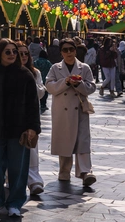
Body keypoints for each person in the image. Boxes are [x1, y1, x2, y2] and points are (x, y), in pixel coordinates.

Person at [0, 39, 41, 217]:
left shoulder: (25, 75)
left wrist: (33, 127)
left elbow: (33, 104)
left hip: (19, 129)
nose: (12, 54)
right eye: (8, 52)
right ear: (0, 54)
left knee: (18, 168)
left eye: (14, 51)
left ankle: (15, 203)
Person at [45, 38, 97, 187]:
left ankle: (85, 172)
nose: (69, 53)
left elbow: (91, 87)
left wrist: (79, 84)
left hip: (80, 109)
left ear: (76, 50)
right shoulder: (55, 68)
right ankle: (64, 171)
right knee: (65, 141)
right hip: (62, 110)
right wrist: (66, 82)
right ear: (61, 52)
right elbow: (49, 86)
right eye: (65, 50)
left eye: (71, 49)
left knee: (82, 140)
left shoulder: (84, 68)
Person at [17, 42, 46, 196]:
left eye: (25, 53)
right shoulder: (8, 72)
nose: (23, 56)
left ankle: (34, 180)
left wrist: (31, 85)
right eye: (20, 53)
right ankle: (11, 178)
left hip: (30, 115)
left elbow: (41, 92)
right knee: (13, 147)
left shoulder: (35, 73)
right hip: (13, 116)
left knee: (32, 147)